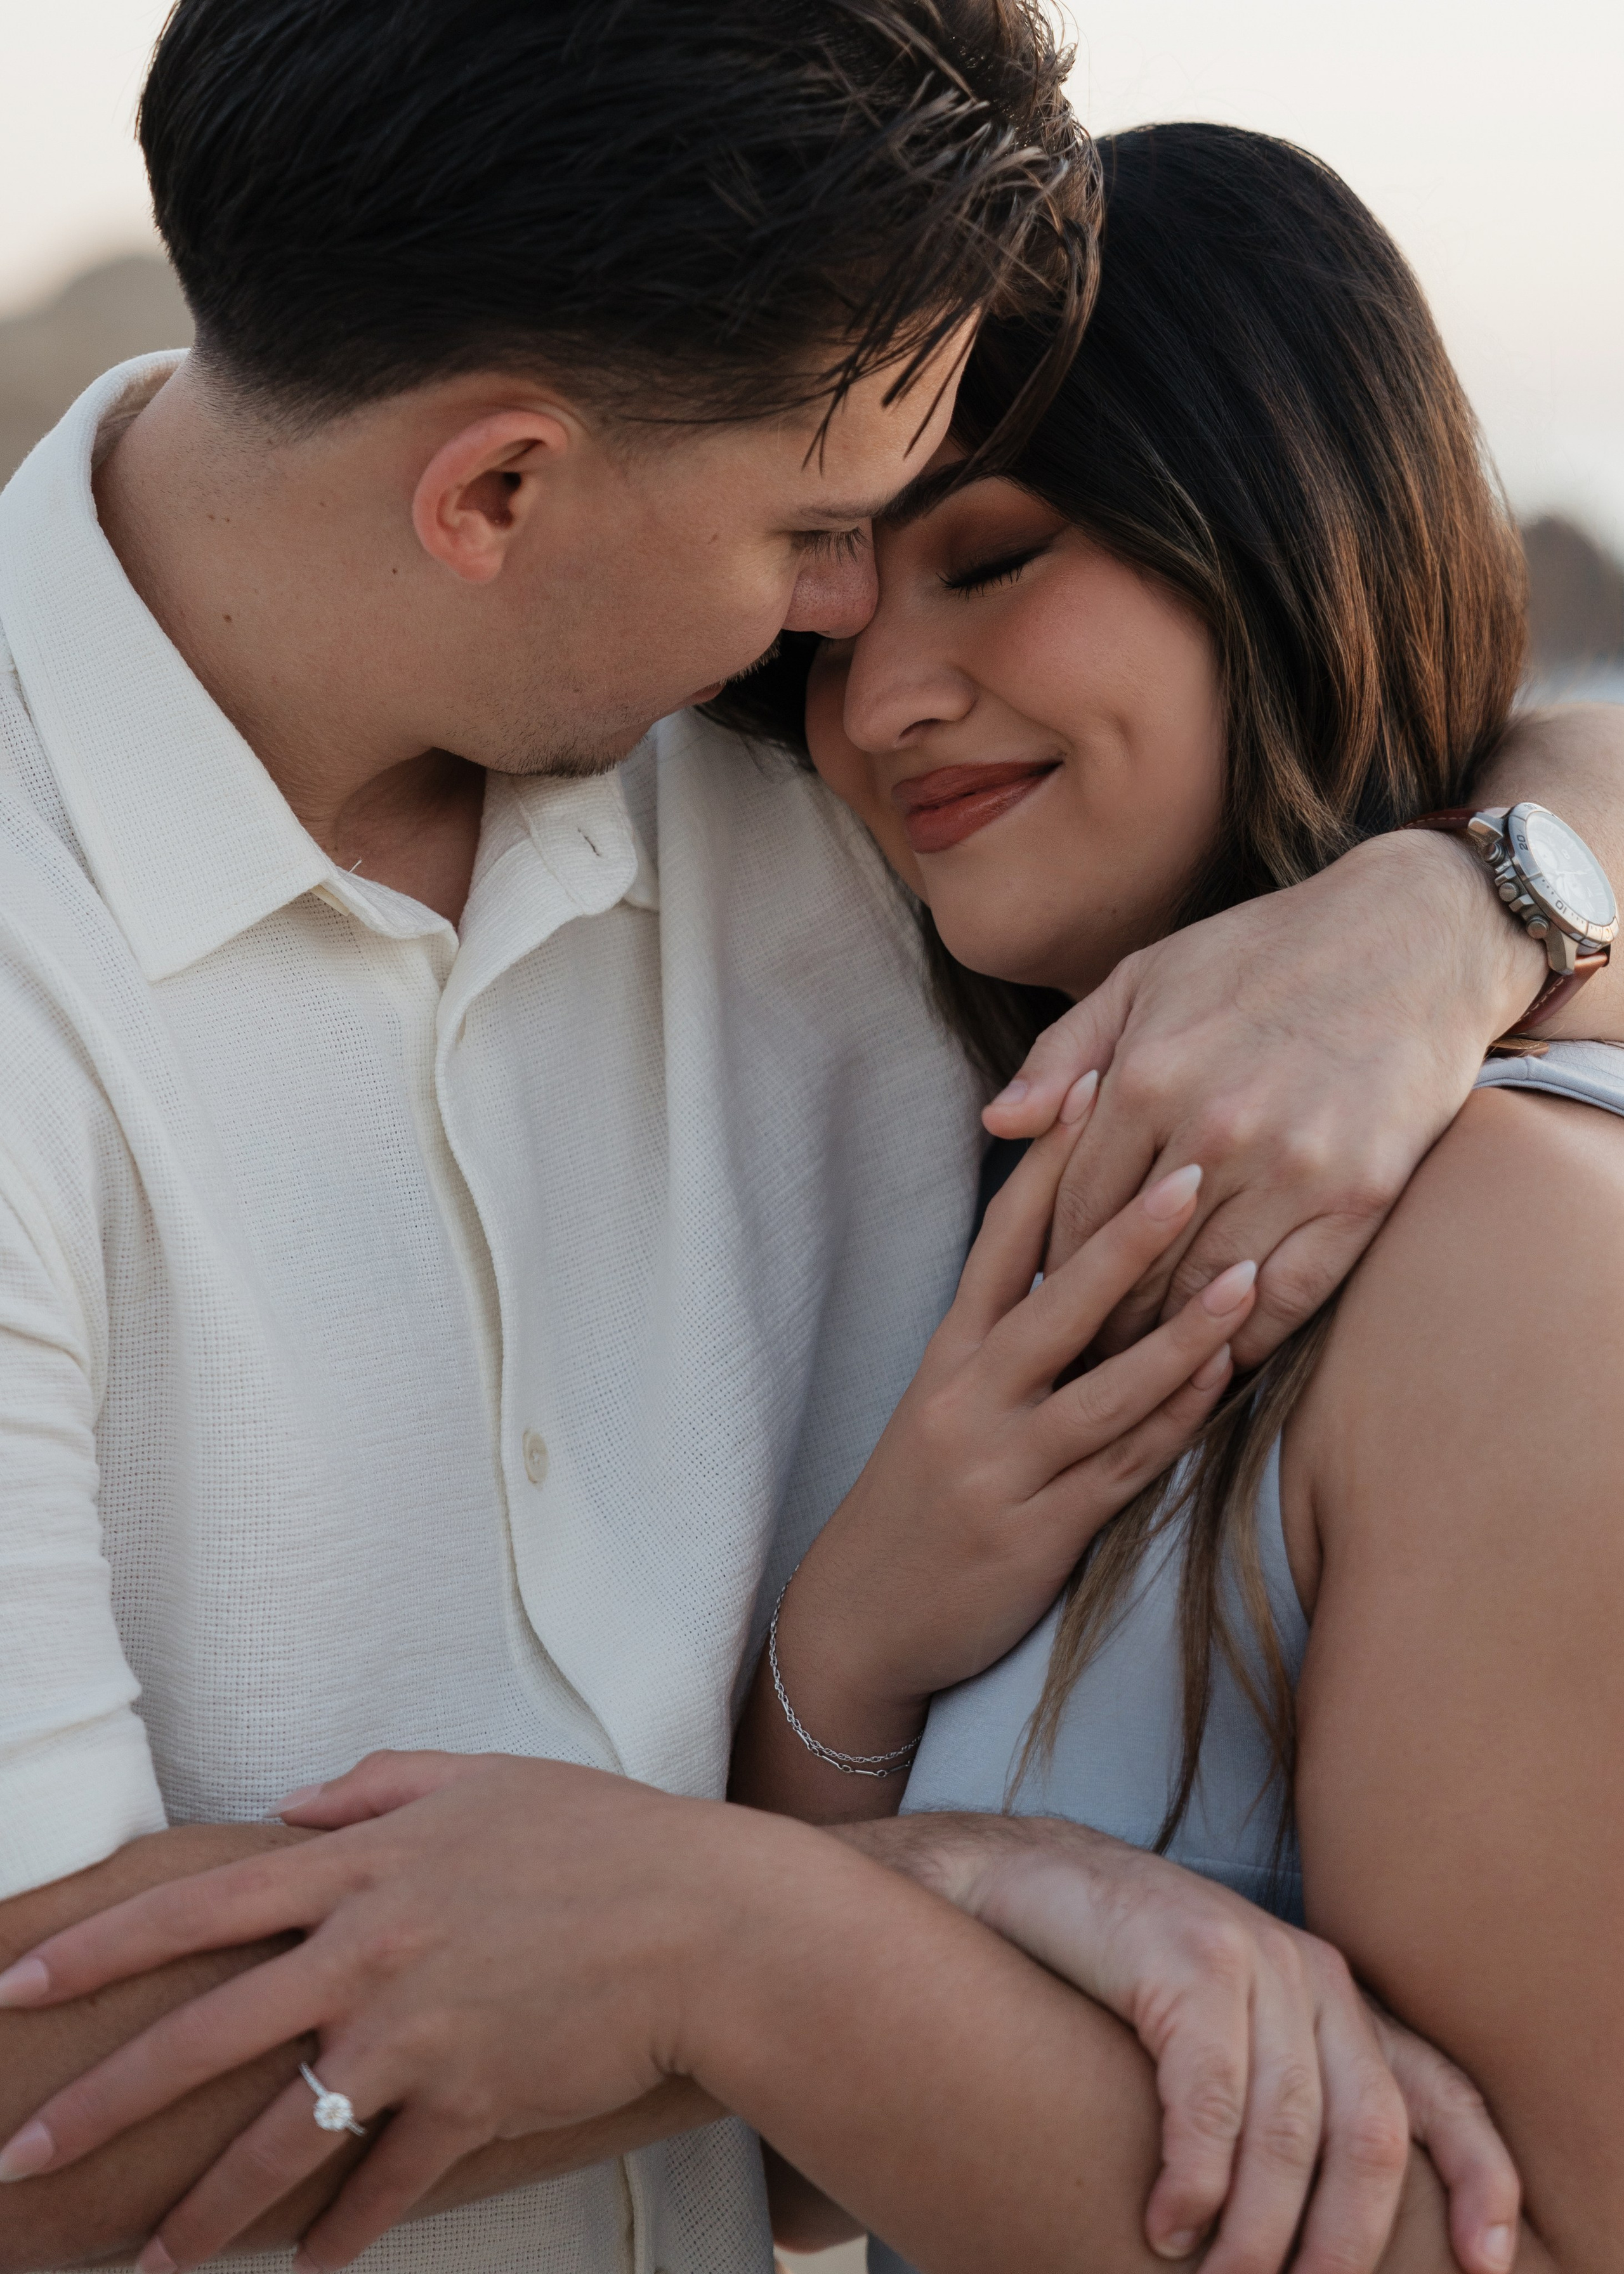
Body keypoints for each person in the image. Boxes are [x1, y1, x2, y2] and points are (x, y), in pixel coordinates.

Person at [0, 2, 1620, 2266]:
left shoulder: (806, 806)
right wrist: (841, 1901)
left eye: (945, 543)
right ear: (496, 495)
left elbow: (1382, 657)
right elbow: (43, 2089)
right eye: (824, 528)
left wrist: (1465, 904)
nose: (850, 638)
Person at [723, 122, 1624, 2272]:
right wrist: (856, 1638)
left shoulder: (1496, 1245)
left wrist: (728, 1936)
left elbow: (1549, 2234)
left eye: (995, 555)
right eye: (837, 617)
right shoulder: (1052, 1182)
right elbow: (777, 2162)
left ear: (1283, 528)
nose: (880, 701)